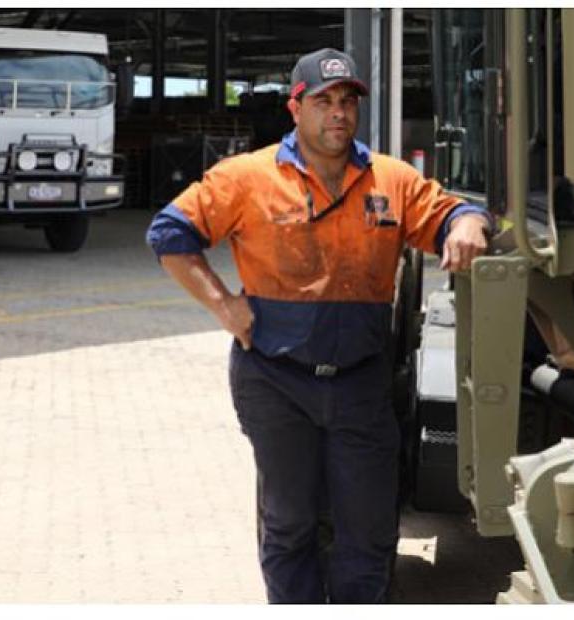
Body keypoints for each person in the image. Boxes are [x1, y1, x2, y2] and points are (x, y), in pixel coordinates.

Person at [146, 48, 493, 604]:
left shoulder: (392, 180)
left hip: (361, 382)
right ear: (296, 107)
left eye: (347, 101)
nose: (338, 113)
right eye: (324, 101)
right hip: (275, 381)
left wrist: (469, 222)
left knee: (370, 530)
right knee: (289, 524)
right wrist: (222, 304)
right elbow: (169, 234)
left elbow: (452, 212)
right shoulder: (248, 177)